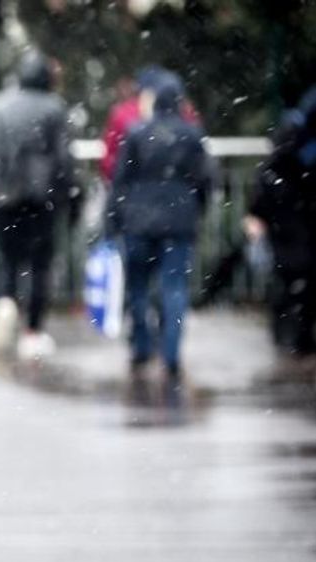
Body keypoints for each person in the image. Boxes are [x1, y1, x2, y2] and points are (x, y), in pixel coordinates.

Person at [108, 72, 213, 383]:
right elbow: (205, 180)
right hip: (178, 223)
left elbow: (120, 181)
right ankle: (170, 354)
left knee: (138, 287)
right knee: (174, 287)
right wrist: (197, 211)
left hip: (139, 222)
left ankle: (142, 347)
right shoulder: (192, 135)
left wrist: (114, 218)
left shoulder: (137, 132)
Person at [0, 50, 80, 360]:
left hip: (4, 197)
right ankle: (33, 332)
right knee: (40, 265)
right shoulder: (54, 109)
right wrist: (71, 196)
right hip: (41, 199)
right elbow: (64, 159)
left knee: (7, 260)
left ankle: (5, 305)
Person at [244, 85, 316, 358]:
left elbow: (264, 186)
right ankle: (297, 337)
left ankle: (290, 335)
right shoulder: (298, 148)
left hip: (288, 226)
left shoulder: (287, 149)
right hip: (296, 225)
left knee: (289, 281)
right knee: (297, 281)